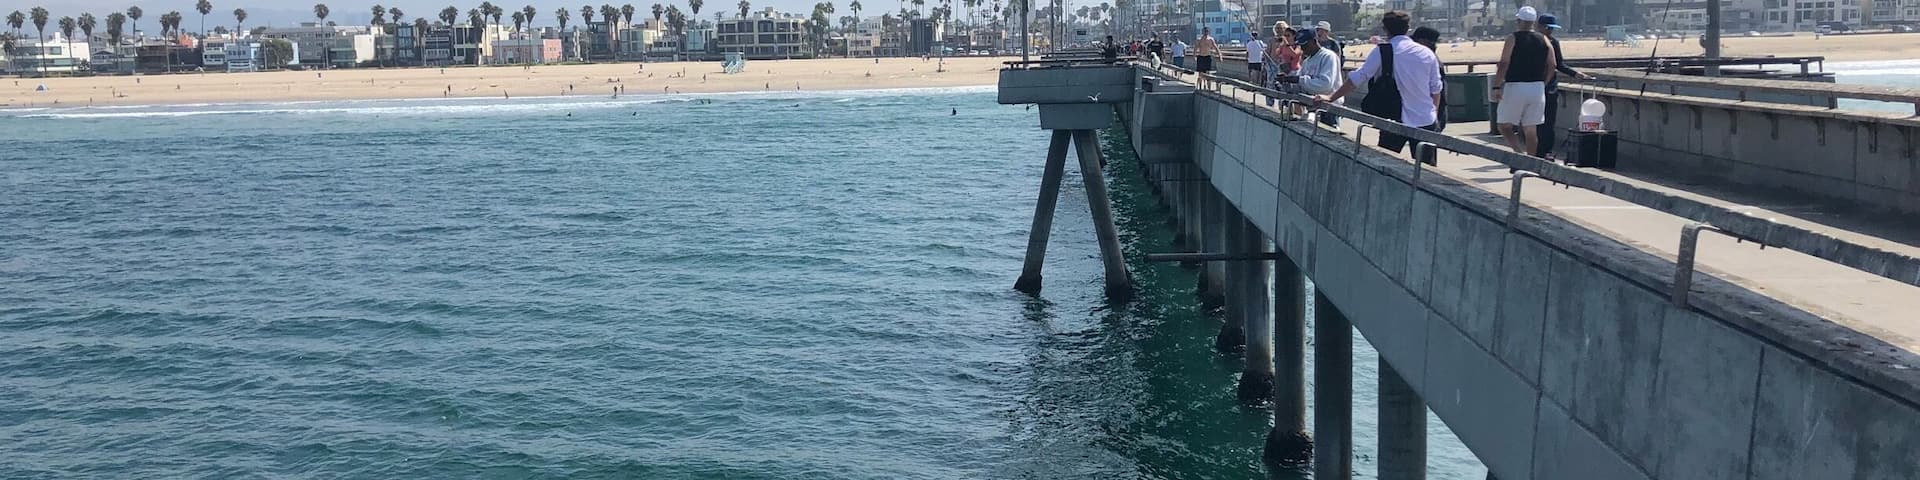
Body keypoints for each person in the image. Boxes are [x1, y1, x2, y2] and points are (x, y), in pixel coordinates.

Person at [1319, 10, 1443, 154]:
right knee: (1425, 171)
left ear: (1385, 29)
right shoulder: (1426, 53)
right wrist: (1433, 114)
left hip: (1393, 119)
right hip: (1425, 119)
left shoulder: (1383, 51)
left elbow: (1358, 78)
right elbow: (1436, 88)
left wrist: (1330, 97)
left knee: (1386, 164)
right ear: (1408, 28)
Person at [1495, 6, 1557, 156]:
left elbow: (1504, 63)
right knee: (1531, 129)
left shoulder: (1513, 38)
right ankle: (1531, 162)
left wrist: (1496, 86)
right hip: (1537, 88)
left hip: (1515, 86)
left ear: (1518, 20)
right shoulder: (1544, 39)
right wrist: (1544, 82)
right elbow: (1553, 65)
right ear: (1534, 22)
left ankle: (1518, 153)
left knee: (1504, 125)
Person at [1536, 13, 1593, 159]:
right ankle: (1534, 151)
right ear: (1539, 26)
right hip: (1533, 85)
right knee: (1533, 122)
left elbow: (1559, 64)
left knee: (1549, 121)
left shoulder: (1553, 42)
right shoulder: (1533, 41)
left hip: (1550, 87)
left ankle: (1546, 151)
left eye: (1552, 29)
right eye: (1548, 28)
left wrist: (1575, 74)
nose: (1550, 31)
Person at [1295, 28, 1342, 126]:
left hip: (1329, 109)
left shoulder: (1328, 56)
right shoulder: (1306, 61)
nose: (1303, 48)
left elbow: (1325, 85)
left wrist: (1299, 80)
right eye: (1301, 46)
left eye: (1305, 45)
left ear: (1314, 41)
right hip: (1313, 108)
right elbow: (1302, 83)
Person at [1411, 26, 1446, 132]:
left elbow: (1435, 90)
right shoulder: (1431, 58)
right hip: (1431, 113)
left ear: (1422, 41)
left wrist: (1434, 115)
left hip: (1428, 114)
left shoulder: (1428, 59)